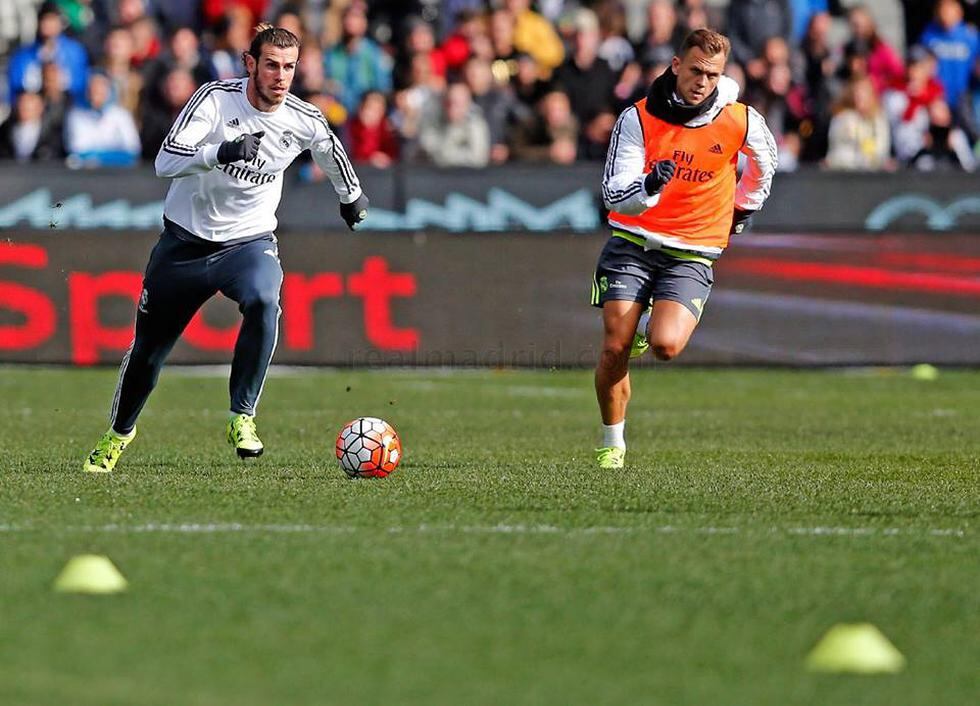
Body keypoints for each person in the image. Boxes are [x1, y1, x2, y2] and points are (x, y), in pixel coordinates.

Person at [82, 24, 369, 473]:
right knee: (148, 353)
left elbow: (329, 147)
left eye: (289, 67)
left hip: (248, 244)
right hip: (184, 245)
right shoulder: (215, 99)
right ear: (250, 63)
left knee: (264, 298)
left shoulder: (301, 117)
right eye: (271, 65)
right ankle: (118, 435)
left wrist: (351, 197)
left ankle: (243, 415)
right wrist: (222, 151)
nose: (280, 76)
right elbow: (165, 161)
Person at [592, 29, 776, 469]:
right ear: (676, 66)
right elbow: (614, 193)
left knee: (666, 346)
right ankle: (611, 442)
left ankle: (645, 327)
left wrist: (744, 208)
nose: (702, 81)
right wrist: (649, 187)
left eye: (712, 74)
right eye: (695, 70)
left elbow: (766, 164)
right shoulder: (637, 118)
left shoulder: (741, 119)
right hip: (633, 242)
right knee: (614, 347)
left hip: (692, 250)